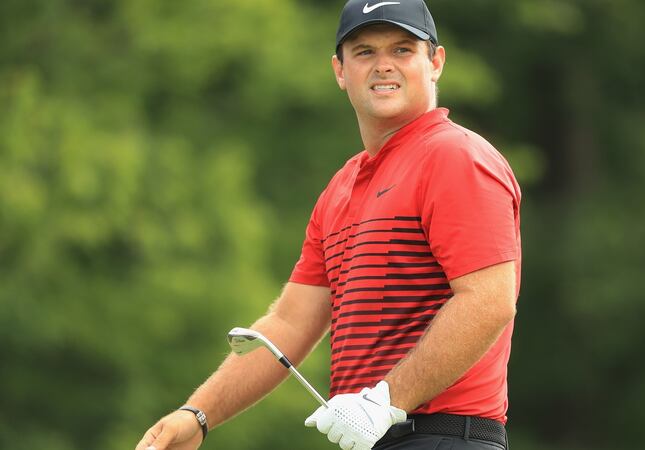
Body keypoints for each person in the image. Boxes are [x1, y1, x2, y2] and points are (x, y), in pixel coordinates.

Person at [135, 0, 521, 449]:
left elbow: (490, 301)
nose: (383, 66)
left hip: (444, 437)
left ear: (435, 63)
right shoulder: (341, 189)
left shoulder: (455, 157)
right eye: (364, 52)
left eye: (401, 50)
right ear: (340, 70)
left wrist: (386, 401)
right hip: (374, 438)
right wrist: (197, 415)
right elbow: (290, 323)